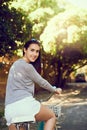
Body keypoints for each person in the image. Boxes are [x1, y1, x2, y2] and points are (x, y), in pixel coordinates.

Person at [4, 39, 62, 130]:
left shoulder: (15, 65)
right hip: (25, 105)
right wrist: (54, 89)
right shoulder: (28, 66)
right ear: (25, 50)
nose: (35, 54)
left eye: (37, 51)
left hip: (10, 111)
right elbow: (42, 82)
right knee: (51, 116)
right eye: (32, 50)